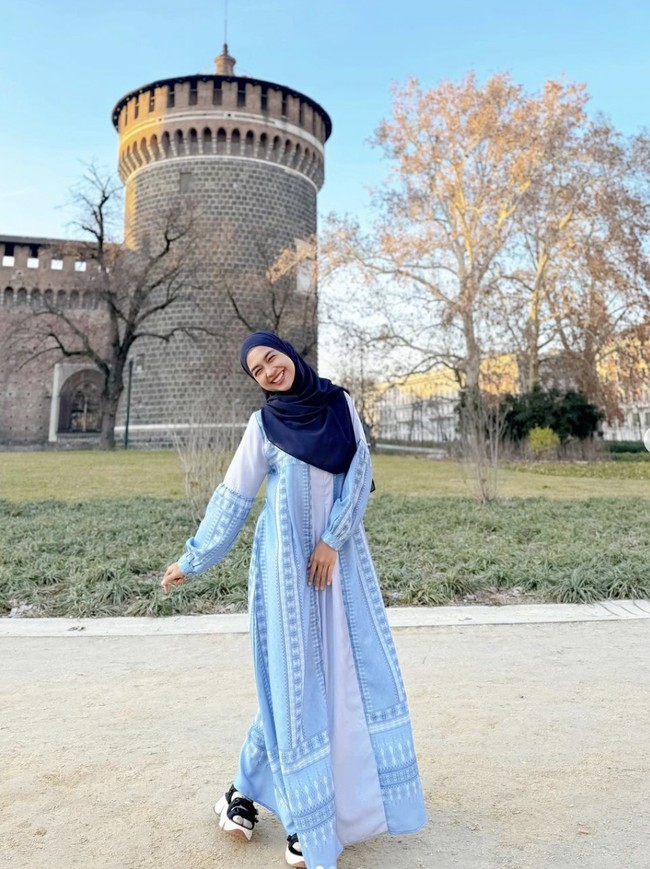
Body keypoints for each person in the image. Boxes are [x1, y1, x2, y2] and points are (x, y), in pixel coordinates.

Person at [162, 332, 427, 869]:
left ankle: (244, 793)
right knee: (293, 685)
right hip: (286, 573)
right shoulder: (263, 426)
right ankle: (305, 819)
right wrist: (193, 559)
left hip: (341, 566)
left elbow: (360, 472)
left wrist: (332, 539)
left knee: (347, 679)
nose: (269, 371)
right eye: (257, 371)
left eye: (271, 359)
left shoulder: (340, 404)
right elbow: (234, 496)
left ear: (289, 354)